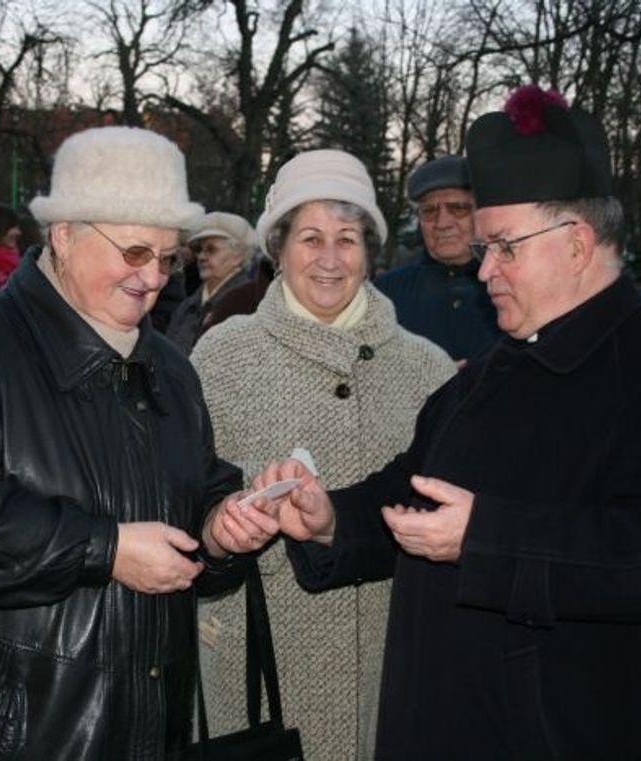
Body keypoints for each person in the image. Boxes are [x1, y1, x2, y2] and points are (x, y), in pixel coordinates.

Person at [250, 86, 641, 759]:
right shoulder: (496, 368)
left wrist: (489, 538)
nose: (484, 270)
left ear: (576, 243)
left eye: (504, 247)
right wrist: (332, 518)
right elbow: (416, 488)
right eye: (487, 248)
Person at [0, 126, 278, 760]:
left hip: (145, 723)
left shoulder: (170, 367)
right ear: (64, 236)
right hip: (10, 731)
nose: (153, 278)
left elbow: (197, 485)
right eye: (134, 252)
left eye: (168, 257)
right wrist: (107, 549)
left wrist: (222, 528)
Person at [190, 150, 455, 761]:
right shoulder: (222, 358)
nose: (331, 260)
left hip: (394, 662)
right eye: (310, 238)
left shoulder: (428, 368)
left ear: (371, 250)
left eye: (349, 238)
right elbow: (187, 503)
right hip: (256, 667)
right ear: (278, 249)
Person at [374, 155, 500, 364]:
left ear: (482, 213)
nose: (442, 223)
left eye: (457, 208)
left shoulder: (512, 287)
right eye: (430, 211)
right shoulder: (385, 294)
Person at [166, 211, 256, 354]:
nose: (201, 256)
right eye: (198, 249)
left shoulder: (250, 305)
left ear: (238, 256)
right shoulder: (187, 306)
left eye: (211, 250)